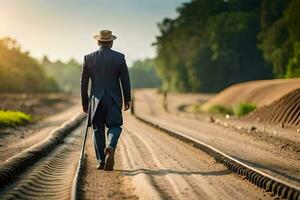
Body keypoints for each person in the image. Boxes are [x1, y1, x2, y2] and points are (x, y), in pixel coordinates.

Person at [81, 30, 131, 171]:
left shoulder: (88, 58)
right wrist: (127, 99)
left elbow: (83, 83)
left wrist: (85, 103)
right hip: (113, 99)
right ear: (111, 42)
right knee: (114, 126)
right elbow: (125, 80)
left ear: (98, 42)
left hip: (96, 100)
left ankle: (102, 162)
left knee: (97, 129)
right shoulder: (119, 58)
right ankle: (110, 145)